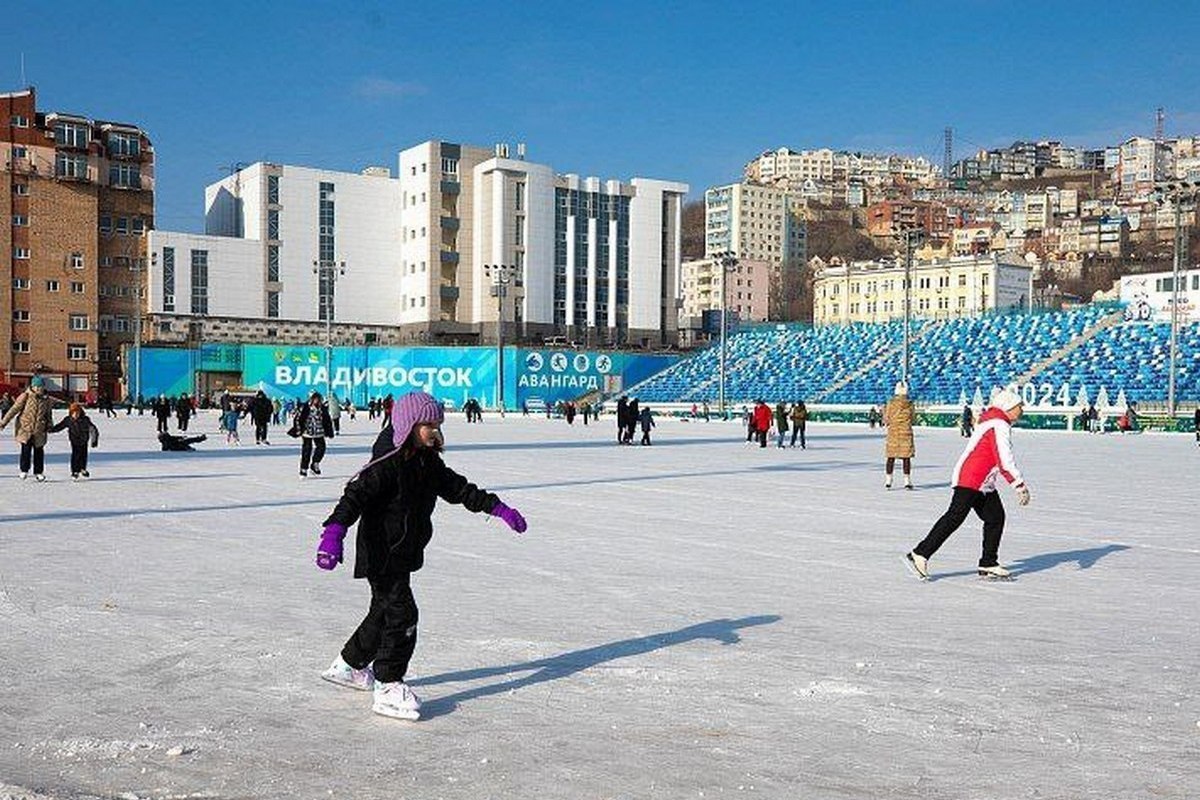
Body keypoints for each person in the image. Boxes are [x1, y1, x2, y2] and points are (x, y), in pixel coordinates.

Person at [313, 391, 529, 721]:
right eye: (428, 423)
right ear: (408, 424)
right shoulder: (387, 465)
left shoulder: (426, 462)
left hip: (403, 550)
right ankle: (387, 685)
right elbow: (353, 497)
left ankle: (350, 665)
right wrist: (333, 534)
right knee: (403, 615)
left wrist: (497, 508)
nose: (435, 430)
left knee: (383, 611)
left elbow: (459, 489)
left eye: (438, 423)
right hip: (382, 552)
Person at [905, 388, 1030, 580]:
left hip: (982, 482)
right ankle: (920, 553)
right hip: (972, 478)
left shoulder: (994, 422)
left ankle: (988, 563)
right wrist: (1018, 484)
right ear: (1009, 407)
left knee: (995, 517)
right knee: (955, 517)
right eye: (1019, 405)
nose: (1022, 409)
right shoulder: (998, 424)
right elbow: (1004, 458)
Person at [1, 376, 55, 481]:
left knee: (39, 451)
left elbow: (48, 414)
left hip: (39, 429)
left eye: (41, 386)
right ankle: (24, 470)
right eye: (37, 386)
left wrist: (50, 425)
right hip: (25, 428)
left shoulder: (46, 399)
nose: (39, 389)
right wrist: (4, 422)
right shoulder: (25, 396)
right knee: (26, 450)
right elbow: (14, 409)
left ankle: (38, 472)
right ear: (33, 386)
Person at [49, 402, 99, 479]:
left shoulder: (85, 420)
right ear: (71, 413)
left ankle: (82, 468)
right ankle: (75, 471)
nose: (75, 415)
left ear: (80, 412)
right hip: (74, 440)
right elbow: (60, 426)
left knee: (83, 455)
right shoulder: (68, 420)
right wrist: (51, 430)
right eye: (73, 413)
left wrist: (94, 440)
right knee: (75, 455)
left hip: (84, 440)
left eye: (77, 413)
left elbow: (93, 429)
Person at [292, 391, 333, 478]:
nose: (317, 401)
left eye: (319, 399)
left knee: (321, 448)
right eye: (315, 399)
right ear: (312, 399)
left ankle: (315, 463)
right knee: (307, 450)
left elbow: (327, 420)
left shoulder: (322, 408)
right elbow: (298, 419)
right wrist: (299, 430)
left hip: (319, 432)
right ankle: (303, 469)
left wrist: (330, 431)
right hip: (307, 431)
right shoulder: (305, 407)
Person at [883, 382, 915, 490]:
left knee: (890, 457)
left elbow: (886, 418)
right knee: (906, 458)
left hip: (894, 432)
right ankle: (907, 481)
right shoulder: (910, 404)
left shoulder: (891, 403)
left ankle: (888, 480)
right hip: (906, 432)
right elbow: (913, 418)